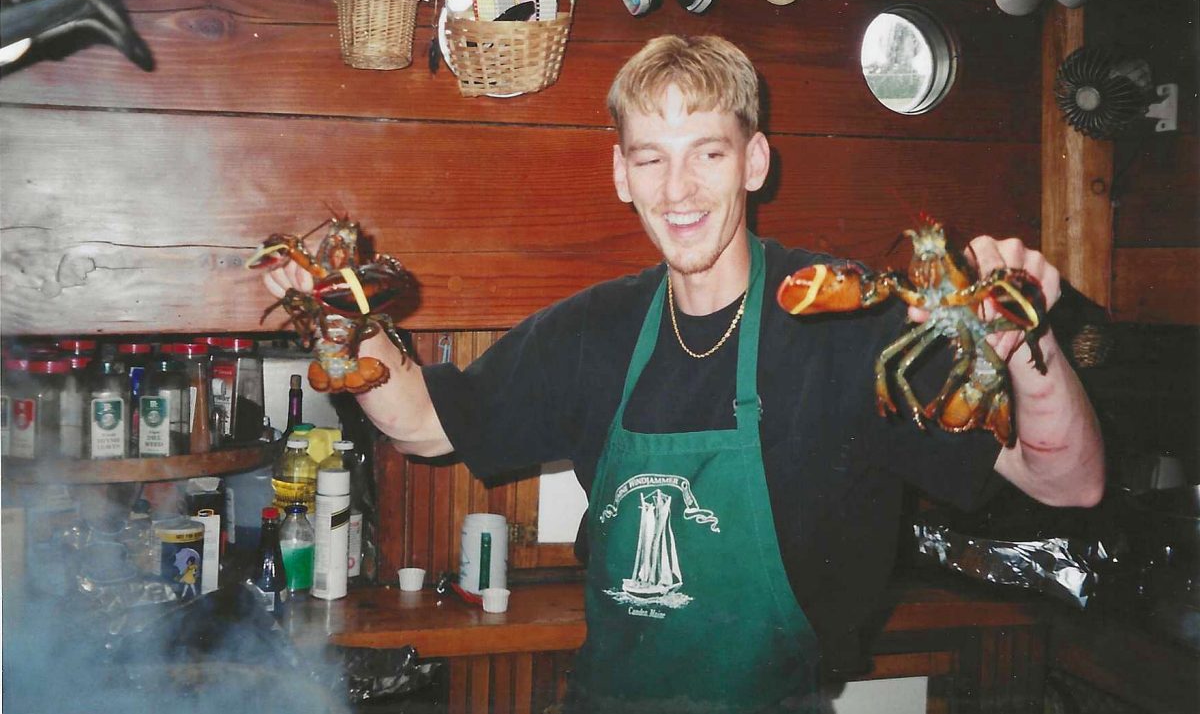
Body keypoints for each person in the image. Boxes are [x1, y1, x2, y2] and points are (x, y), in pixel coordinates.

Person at [264, 35, 1104, 713]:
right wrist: (339, 319)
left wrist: (1027, 343)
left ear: (754, 161)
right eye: (651, 158)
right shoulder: (589, 331)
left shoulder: (851, 322)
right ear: (620, 174)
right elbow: (422, 423)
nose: (679, 190)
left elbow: (1067, 481)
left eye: (708, 152)